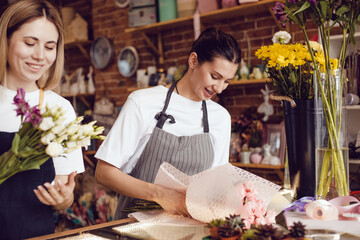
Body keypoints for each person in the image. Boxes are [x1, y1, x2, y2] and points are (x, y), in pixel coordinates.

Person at [95, 28, 241, 219]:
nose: (220, 88)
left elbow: (216, 184)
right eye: (215, 76)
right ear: (193, 61)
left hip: (190, 229)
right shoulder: (143, 102)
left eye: (226, 81)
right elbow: (104, 173)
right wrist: (160, 195)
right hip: (134, 229)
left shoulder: (220, 118)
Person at [0, 0, 84, 239]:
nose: (39, 56)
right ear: (5, 40)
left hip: (33, 233)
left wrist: (63, 198)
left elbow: (65, 195)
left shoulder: (59, 110)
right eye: (29, 43)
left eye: (49, 47)